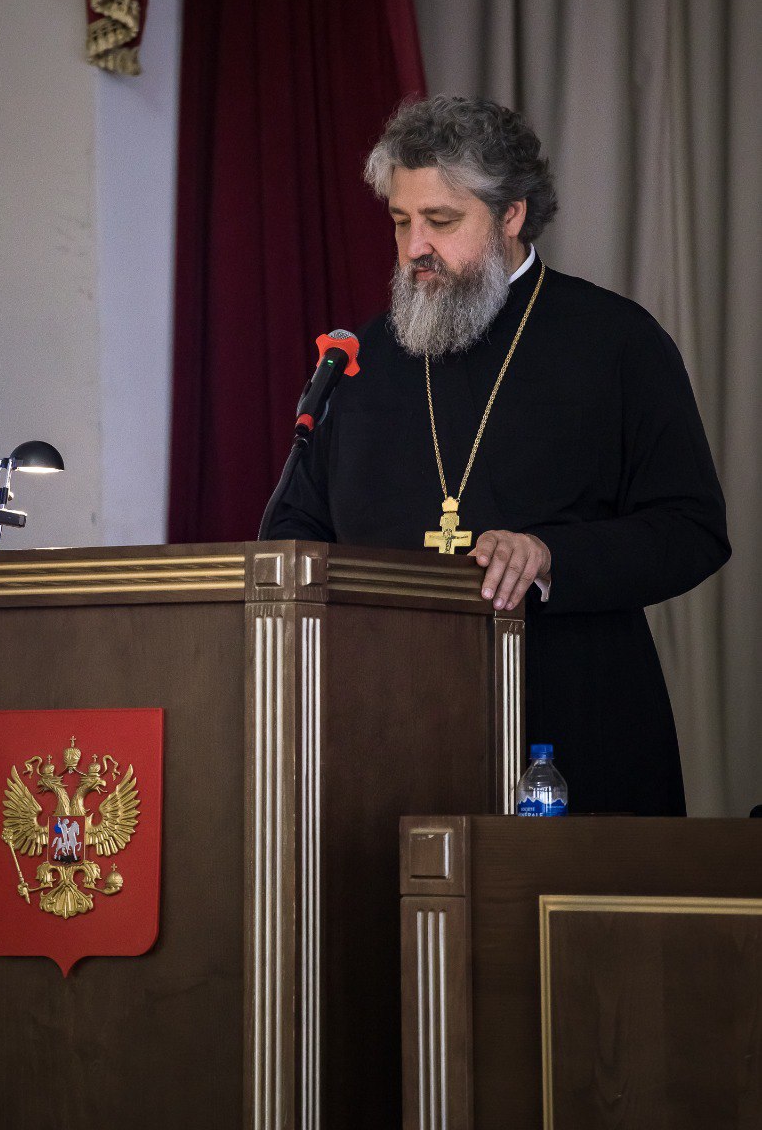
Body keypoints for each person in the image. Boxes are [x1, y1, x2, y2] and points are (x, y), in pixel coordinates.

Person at [263, 96, 730, 814]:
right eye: (400, 221)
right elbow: (296, 527)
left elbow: (691, 529)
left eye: (441, 221)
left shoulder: (615, 342)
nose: (414, 247)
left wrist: (550, 555)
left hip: (573, 720)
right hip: (385, 730)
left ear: (511, 215)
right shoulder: (362, 359)